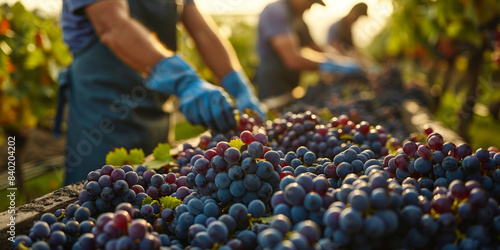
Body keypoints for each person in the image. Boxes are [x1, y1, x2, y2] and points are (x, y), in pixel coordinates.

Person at [58, 0, 264, 185]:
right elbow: (113, 26)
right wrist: (184, 80)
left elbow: (202, 32)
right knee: (100, 192)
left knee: (155, 195)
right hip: (103, 116)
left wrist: (238, 85)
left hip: (155, 111)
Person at [255, 0, 362, 108]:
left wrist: (341, 59)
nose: (309, 8)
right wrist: (330, 65)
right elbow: (292, 59)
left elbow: (317, 48)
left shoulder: (299, 20)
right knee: (274, 116)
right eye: (310, 2)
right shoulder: (276, 11)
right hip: (273, 83)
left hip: (291, 81)